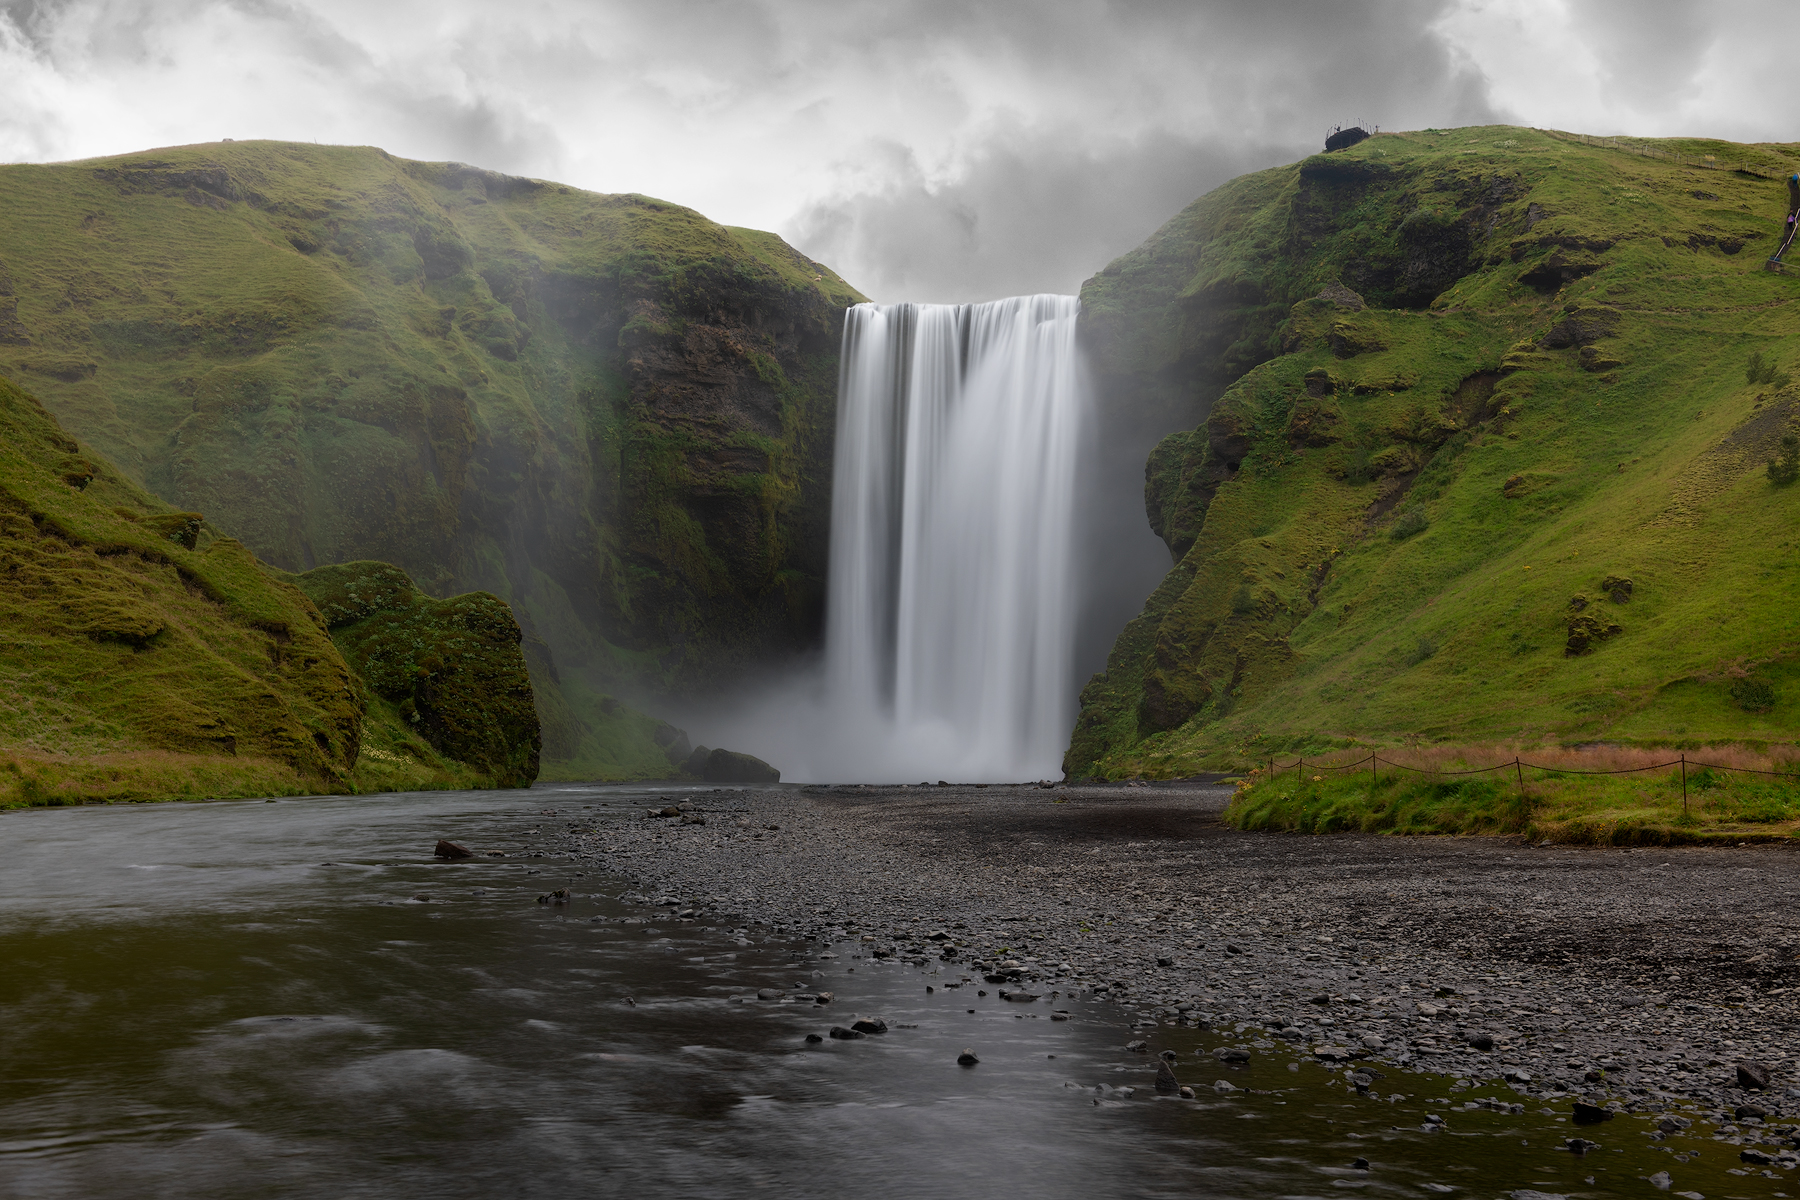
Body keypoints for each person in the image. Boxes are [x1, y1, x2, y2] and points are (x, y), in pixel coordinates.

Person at [1774, 173, 1800, 262]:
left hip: (1790, 220)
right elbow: (1791, 218)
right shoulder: (1791, 215)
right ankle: (1790, 230)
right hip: (1791, 220)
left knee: (1789, 226)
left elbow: (1790, 218)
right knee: (1790, 226)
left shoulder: (1791, 215)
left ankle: (1790, 230)